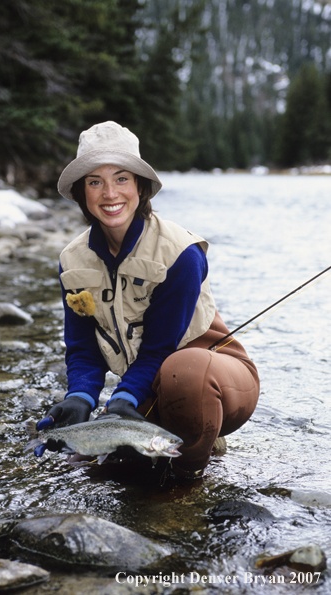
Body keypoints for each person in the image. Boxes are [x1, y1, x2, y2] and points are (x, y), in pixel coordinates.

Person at [35, 121, 260, 478]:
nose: (110, 194)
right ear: (82, 192)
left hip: (212, 379)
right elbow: (82, 349)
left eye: (122, 178)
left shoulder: (180, 252)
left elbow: (159, 349)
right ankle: (163, 441)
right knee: (90, 469)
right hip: (148, 389)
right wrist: (80, 398)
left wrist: (122, 400)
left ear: (140, 186)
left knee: (184, 375)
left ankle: (187, 478)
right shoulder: (71, 260)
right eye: (95, 181)